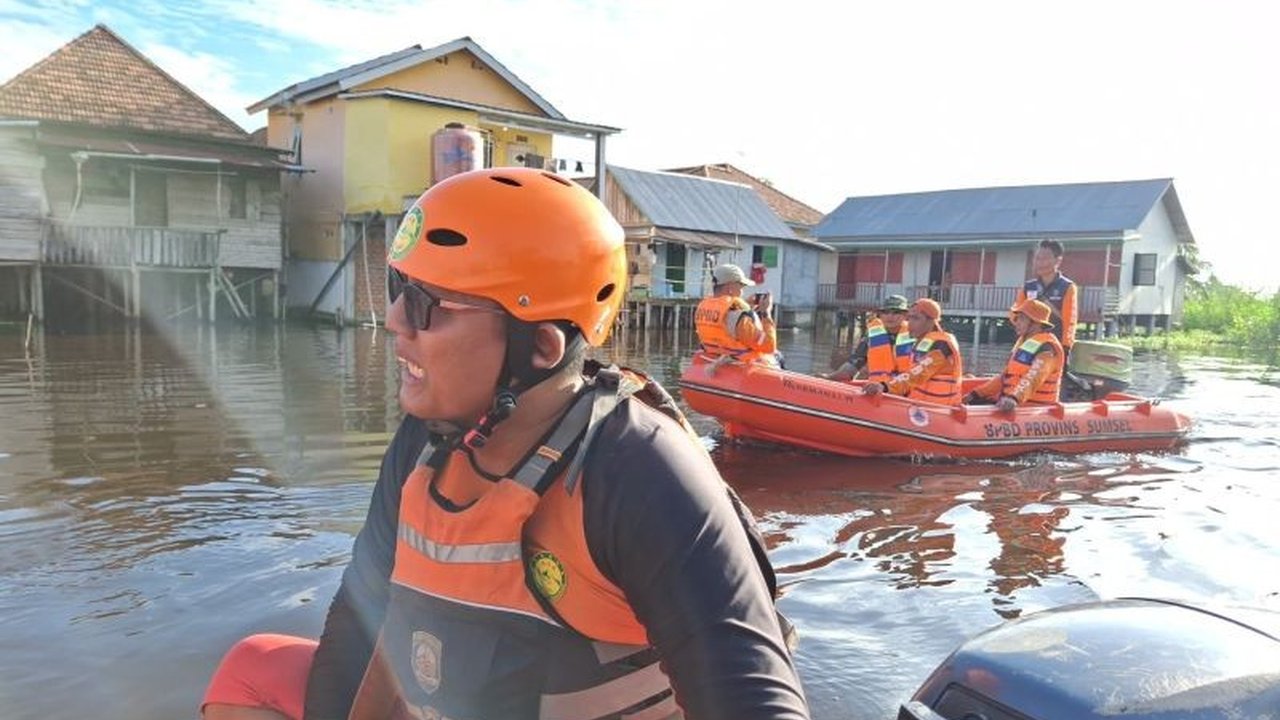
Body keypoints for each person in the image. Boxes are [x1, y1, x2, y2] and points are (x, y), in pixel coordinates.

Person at [202, 169, 809, 720]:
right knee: (251, 667)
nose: (393, 320)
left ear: (540, 348)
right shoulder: (426, 438)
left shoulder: (640, 469)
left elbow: (755, 700)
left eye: (426, 305)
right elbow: (360, 612)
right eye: (398, 287)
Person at [965, 298, 1064, 411]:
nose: (1016, 323)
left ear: (1035, 323)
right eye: (1017, 319)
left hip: (1033, 410)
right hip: (1013, 405)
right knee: (976, 402)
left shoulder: (1047, 348)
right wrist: (976, 394)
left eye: (1021, 319)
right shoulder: (1024, 343)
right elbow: (1005, 378)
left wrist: (1014, 398)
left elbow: (1034, 377)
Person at [862, 298, 963, 406]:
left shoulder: (941, 345)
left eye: (916, 319)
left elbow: (918, 373)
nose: (910, 324)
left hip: (939, 408)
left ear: (931, 321)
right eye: (909, 318)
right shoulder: (921, 342)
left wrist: (885, 387)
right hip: (918, 404)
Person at [693, 263, 780, 366]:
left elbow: (726, 323)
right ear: (730, 287)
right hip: (740, 363)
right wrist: (766, 314)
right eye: (741, 287)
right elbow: (769, 346)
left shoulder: (703, 307)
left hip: (715, 356)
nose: (742, 292)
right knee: (778, 356)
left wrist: (747, 308)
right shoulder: (737, 317)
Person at [822, 295, 913, 382]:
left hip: (905, 389)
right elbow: (855, 363)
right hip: (877, 389)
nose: (890, 316)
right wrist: (829, 377)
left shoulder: (915, 335)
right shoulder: (872, 336)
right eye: (885, 312)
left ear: (906, 315)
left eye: (896, 312)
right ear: (880, 315)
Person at [1015, 239, 1077, 351]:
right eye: (1037, 258)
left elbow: (1070, 322)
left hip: (1053, 344)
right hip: (1029, 344)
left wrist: (1066, 346)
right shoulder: (1028, 287)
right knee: (1019, 367)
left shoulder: (1067, 287)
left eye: (1045, 258)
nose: (1040, 262)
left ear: (1058, 261)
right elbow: (1015, 313)